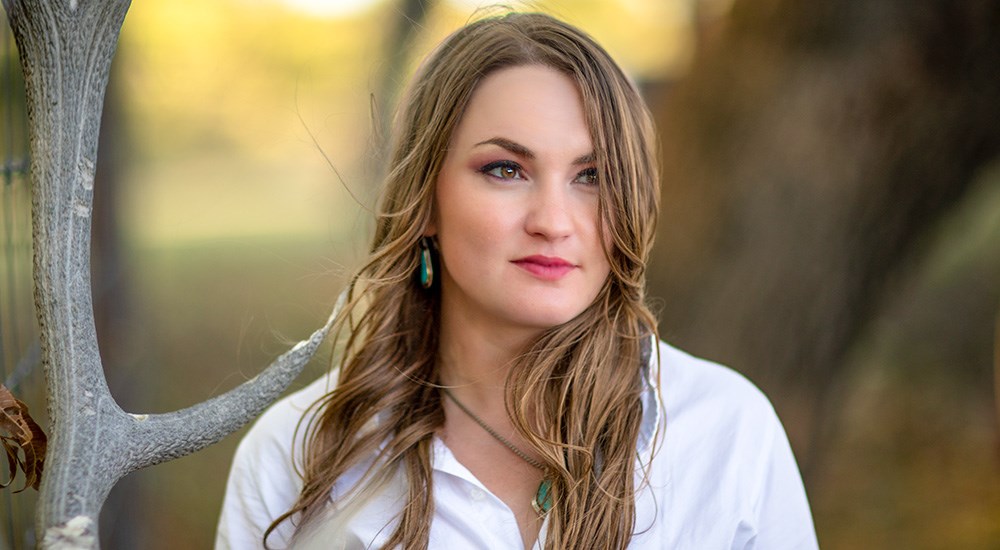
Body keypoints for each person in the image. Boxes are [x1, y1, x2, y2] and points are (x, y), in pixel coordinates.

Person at [216, 11, 818, 550]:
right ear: (425, 199)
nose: (553, 222)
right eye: (506, 169)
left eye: (592, 176)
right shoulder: (296, 457)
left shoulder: (727, 432)